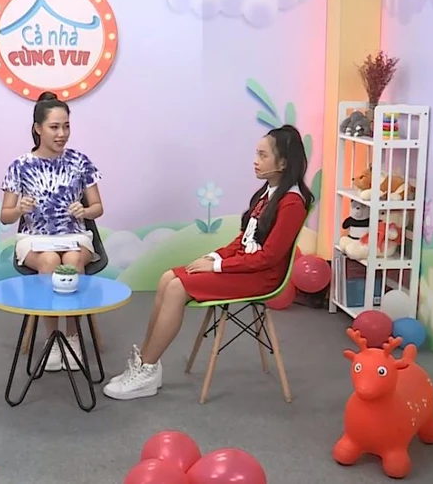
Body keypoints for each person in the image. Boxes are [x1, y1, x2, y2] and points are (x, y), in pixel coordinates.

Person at [102, 124, 313, 400]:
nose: (255, 161)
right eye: (256, 154)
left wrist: (217, 266)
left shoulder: (291, 203)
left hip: (262, 277)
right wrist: (214, 256)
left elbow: (268, 257)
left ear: (283, 163)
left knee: (177, 288)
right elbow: (244, 240)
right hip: (246, 268)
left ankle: (148, 370)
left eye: (263, 155)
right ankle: (144, 362)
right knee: (167, 278)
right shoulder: (268, 193)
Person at [0, 91, 105, 372]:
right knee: (48, 261)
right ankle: (53, 339)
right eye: (54, 127)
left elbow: (98, 207)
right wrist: (19, 208)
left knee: (71, 261)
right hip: (35, 239)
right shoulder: (20, 166)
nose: (62, 134)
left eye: (66, 126)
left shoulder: (80, 161)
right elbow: (5, 217)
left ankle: (72, 337)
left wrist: (85, 211)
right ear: (38, 128)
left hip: (74, 237)